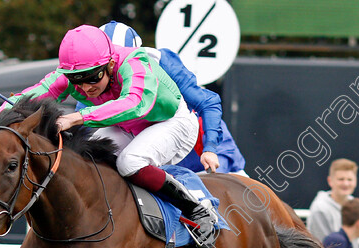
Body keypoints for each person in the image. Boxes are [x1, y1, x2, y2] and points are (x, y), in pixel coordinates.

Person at [2, 24, 216, 245]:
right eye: (77, 80)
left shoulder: (136, 63)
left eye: (92, 78)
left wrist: (77, 117)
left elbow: (134, 104)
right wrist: (5, 115)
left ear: (111, 64)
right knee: (84, 160)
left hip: (172, 122)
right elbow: (36, 92)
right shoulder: (74, 73)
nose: (85, 87)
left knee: (129, 162)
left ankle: (198, 210)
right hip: (127, 127)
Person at [89, 21, 246, 175]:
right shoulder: (92, 84)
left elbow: (208, 104)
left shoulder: (164, 66)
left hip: (205, 164)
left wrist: (210, 148)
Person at [307, 158, 358, 243]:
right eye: (341, 179)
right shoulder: (320, 208)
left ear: (355, 181)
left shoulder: (355, 204)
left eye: (350, 179)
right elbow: (323, 245)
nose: (346, 184)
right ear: (330, 181)